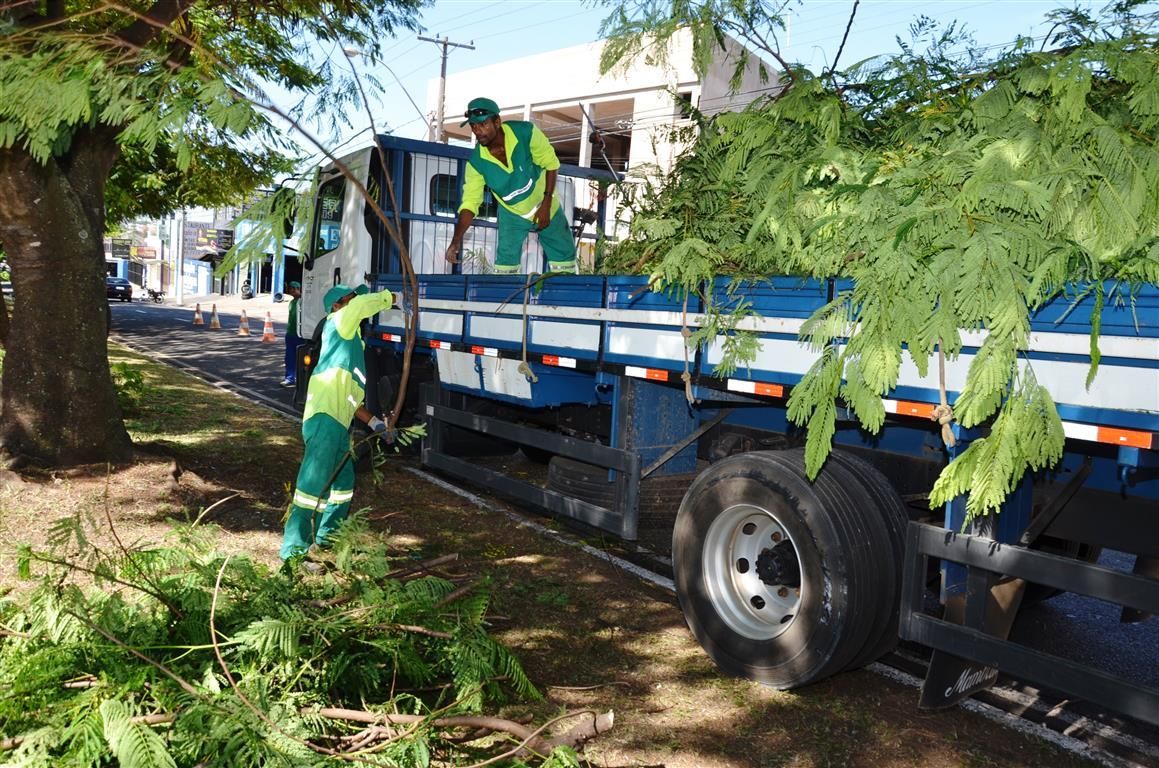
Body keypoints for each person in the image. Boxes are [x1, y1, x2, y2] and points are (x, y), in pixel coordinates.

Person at [279, 283, 393, 561]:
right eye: (352, 297)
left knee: (343, 484)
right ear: (338, 305)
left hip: (339, 423)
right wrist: (393, 298)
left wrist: (376, 423)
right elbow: (362, 306)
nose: (357, 300)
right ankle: (293, 551)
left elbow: (353, 401)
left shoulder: (351, 342)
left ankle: (328, 537)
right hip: (325, 418)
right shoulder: (338, 321)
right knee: (312, 483)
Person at [444, 97, 576, 274]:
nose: (478, 131)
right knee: (505, 265)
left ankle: (565, 295)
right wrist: (456, 240)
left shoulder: (526, 133)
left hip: (544, 202)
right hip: (512, 213)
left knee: (564, 258)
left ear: (497, 121)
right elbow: (469, 203)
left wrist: (546, 204)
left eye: (483, 124)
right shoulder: (476, 163)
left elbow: (551, 164)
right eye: (473, 126)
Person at [280, 280, 303, 388]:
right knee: (289, 358)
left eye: (295, 289)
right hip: (290, 334)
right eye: (291, 289)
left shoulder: (303, 302)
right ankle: (289, 378)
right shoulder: (292, 302)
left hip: (300, 334)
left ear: (299, 289)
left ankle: (300, 378)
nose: (293, 291)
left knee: (300, 358)